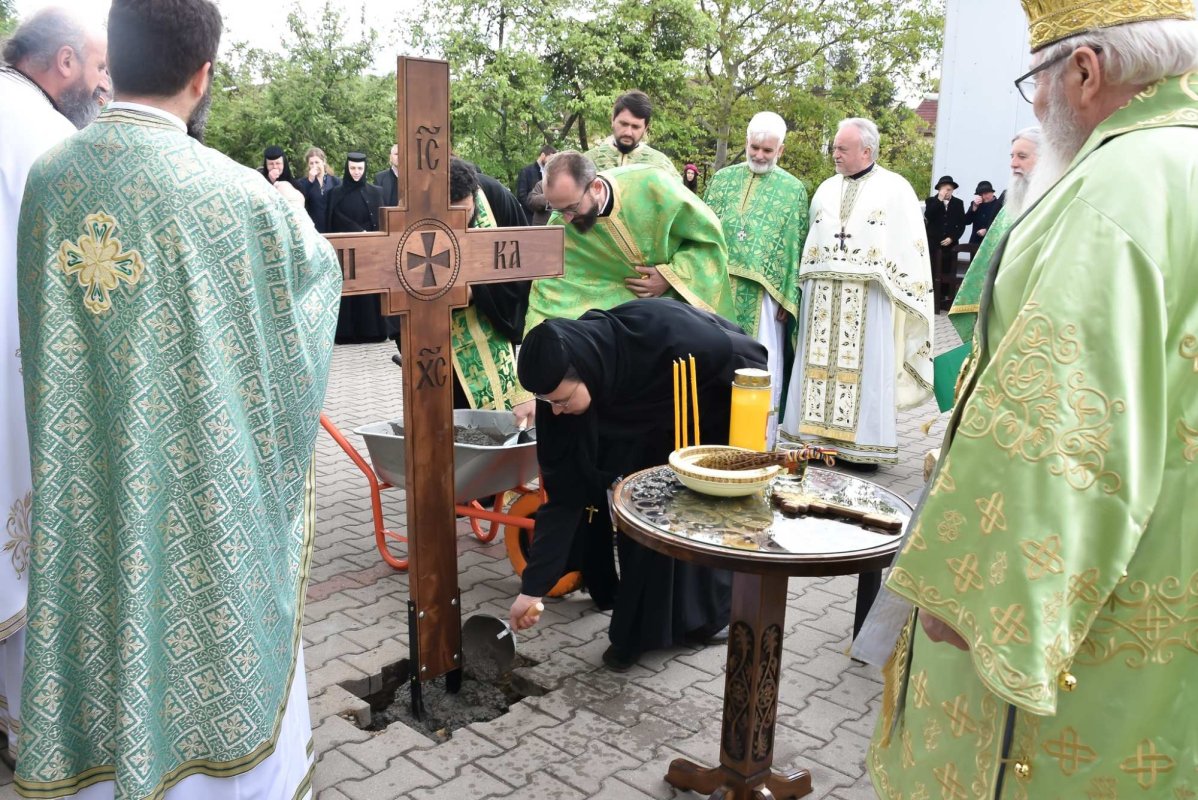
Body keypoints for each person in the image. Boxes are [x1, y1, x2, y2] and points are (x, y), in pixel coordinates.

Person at [867, 5, 1198, 798]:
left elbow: (1064, 417)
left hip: (1085, 607)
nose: (1037, 107)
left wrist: (973, 596)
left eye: (1036, 84)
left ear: (1084, 71)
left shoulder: (1115, 186)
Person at [13, 0, 342, 796]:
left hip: (93, 493)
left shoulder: (51, 180)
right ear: (203, 76)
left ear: (111, 64)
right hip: (206, 498)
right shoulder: (245, 198)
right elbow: (315, 287)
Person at [510, 299, 768, 670]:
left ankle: (705, 619)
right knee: (639, 518)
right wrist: (531, 589)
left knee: (693, 512)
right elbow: (564, 497)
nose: (555, 411)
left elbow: (749, 358)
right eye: (546, 402)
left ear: (586, 371)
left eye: (562, 400)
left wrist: (721, 450)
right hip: (633, 427)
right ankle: (643, 630)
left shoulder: (666, 337)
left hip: (701, 404)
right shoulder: (561, 400)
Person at [0, 7, 109, 766]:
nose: (104, 83)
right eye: (98, 68)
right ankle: (31, 729)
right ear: (65, 63)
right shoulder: (46, 139)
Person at [779, 117, 933, 469]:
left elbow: (910, 246)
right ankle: (812, 441)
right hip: (822, 297)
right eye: (834, 147)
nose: (835, 153)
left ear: (866, 151)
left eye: (841, 148)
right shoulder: (825, 188)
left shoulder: (895, 189)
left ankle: (862, 448)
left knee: (865, 368)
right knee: (815, 367)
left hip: (869, 299)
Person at [525, 151, 735, 333]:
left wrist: (670, 276)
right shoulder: (560, 222)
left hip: (677, 316)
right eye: (558, 209)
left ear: (596, 187)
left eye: (572, 207)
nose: (567, 218)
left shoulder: (653, 185)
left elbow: (708, 241)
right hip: (615, 330)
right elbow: (548, 291)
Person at [704, 112, 808, 446]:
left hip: (763, 295)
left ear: (781, 149)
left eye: (768, 150)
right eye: (754, 147)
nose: (760, 155)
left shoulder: (793, 190)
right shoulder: (721, 180)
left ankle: (758, 441)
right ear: (745, 142)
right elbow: (703, 230)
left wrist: (787, 294)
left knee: (760, 362)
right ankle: (713, 432)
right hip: (719, 287)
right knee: (714, 357)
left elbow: (795, 244)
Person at [443, 158, 535, 424]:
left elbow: (524, 264)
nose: (459, 224)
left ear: (474, 196)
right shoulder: (414, 208)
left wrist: (475, 292)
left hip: (492, 326)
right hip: (440, 340)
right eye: (450, 217)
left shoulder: (494, 197)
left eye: (465, 213)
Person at [948, 127, 1040, 343]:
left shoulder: (1058, 195)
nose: (1013, 163)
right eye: (1012, 156)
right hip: (1004, 298)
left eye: (1022, 156)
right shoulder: (1011, 199)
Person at [327, 151, 390, 343]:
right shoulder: (335, 193)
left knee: (370, 291)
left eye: (360, 168)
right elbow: (333, 217)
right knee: (349, 291)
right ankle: (346, 333)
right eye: (353, 168)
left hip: (369, 250)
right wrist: (356, 231)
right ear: (347, 168)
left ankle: (373, 332)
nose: (356, 172)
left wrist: (369, 237)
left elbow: (381, 219)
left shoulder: (375, 192)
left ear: (365, 169)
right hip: (346, 252)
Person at [583, 90, 680, 178]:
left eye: (636, 127)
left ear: (645, 128)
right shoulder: (587, 162)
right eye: (624, 124)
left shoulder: (661, 165)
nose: (628, 132)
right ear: (613, 120)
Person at [923, 175, 966, 312]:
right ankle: (932, 299)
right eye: (945, 189)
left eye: (950, 190)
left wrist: (952, 238)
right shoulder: (931, 201)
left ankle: (945, 299)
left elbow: (961, 224)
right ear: (940, 189)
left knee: (948, 270)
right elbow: (929, 215)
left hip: (950, 245)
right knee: (933, 269)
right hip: (934, 244)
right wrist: (939, 200)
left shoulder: (958, 203)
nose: (948, 192)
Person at [296, 145, 340, 233]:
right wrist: (310, 180)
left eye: (317, 162)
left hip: (332, 226)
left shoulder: (335, 181)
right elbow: (301, 200)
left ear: (323, 162)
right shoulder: (303, 183)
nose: (314, 165)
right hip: (313, 227)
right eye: (311, 163)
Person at [515, 144, 556, 219]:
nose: (552, 162)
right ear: (543, 155)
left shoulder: (551, 173)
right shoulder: (526, 171)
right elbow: (521, 196)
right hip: (530, 217)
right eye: (551, 159)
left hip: (547, 218)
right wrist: (534, 209)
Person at [258, 144, 304, 209]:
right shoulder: (259, 181)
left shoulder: (296, 185)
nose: (275, 167)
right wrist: (270, 181)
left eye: (278, 163)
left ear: (284, 164)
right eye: (271, 164)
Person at [963, 179, 1002, 245]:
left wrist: (987, 230)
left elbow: (1000, 224)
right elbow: (966, 221)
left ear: (992, 193)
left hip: (992, 242)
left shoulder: (999, 205)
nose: (983, 197)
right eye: (981, 194)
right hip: (975, 242)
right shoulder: (975, 204)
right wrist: (974, 208)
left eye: (986, 194)